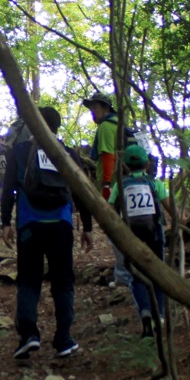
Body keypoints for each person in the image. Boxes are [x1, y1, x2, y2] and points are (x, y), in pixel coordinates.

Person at [0, 107, 95, 359]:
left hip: (29, 225)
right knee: (63, 282)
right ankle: (63, 338)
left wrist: (5, 222)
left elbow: (8, 187)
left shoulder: (19, 152)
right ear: (57, 127)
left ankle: (28, 335)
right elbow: (81, 191)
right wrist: (87, 227)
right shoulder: (67, 154)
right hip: (61, 225)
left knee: (29, 280)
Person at [110, 144, 169, 337]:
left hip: (131, 235)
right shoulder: (154, 183)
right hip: (154, 233)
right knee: (158, 274)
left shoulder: (120, 185)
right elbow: (169, 206)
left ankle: (144, 311)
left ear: (125, 164)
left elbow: (109, 210)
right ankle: (159, 316)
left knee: (136, 275)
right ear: (146, 164)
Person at [82, 90, 134, 289]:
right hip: (124, 184)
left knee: (116, 232)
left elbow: (108, 157)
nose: (92, 112)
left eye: (95, 107)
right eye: (91, 108)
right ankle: (129, 273)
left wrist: (105, 186)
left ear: (105, 108)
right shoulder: (119, 125)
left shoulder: (105, 127)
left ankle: (123, 276)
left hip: (114, 187)